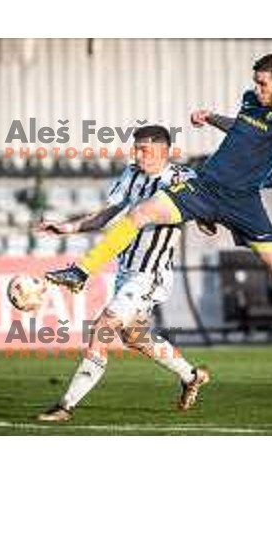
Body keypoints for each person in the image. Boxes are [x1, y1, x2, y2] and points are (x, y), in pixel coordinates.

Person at [46, 54, 272, 326]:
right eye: (256, 83)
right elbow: (241, 127)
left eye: (262, 83)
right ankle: (82, 271)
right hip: (205, 186)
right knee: (140, 212)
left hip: (244, 201)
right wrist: (210, 118)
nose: (257, 89)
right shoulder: (250, 100)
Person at [37, 125, 210, 422]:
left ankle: (66, 405)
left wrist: (209, 217)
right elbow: (107, 214)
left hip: (151, 272)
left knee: (102, 329)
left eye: (144, 149)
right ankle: (192, 376)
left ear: (162, 150)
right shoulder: (131, 174)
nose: (137, 154)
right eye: (136, 148)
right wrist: (67, 227)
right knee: (134, 337)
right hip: (126, 269)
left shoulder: (181, 178)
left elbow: (208, 208)